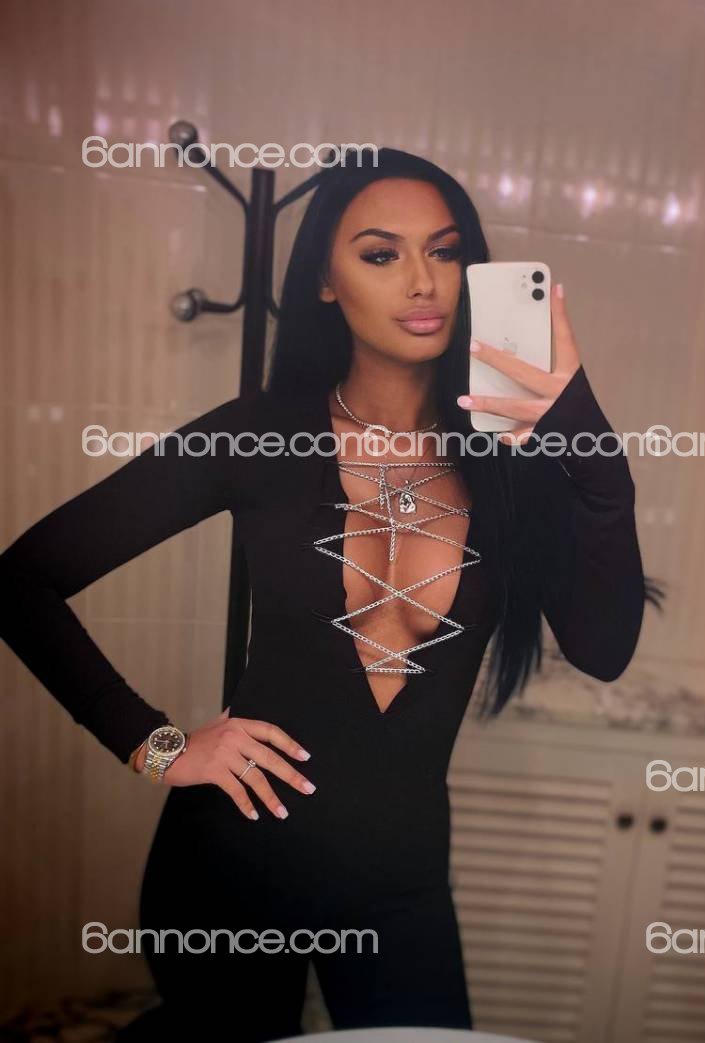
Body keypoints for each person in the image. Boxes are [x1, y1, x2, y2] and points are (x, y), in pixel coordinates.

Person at [0, 148, 662, 1042]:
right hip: (231, 862)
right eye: (382, 254)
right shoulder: (258, 435)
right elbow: (21, 580)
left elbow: (604, 650)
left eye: (445, 250)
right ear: (324, 280)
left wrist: (586, 441)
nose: (423, 281)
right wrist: (156, 745)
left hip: (399, 882)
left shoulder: (512, 462)